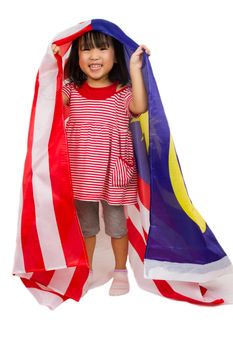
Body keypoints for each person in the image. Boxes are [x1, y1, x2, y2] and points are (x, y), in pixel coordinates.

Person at [52, 30, 150, 296]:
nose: (94, 56)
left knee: (116, 225)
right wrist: (56, 63)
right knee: (86, 227)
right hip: (81, 173)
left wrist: (135, 68)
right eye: (86, 50)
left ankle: (121, 271)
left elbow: (140, 106)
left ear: (115, 57)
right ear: (78, 57)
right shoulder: (71, 90)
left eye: (102, 49)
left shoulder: (122, 93)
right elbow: (49, 103)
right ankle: (88, 270)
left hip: (113, 173)